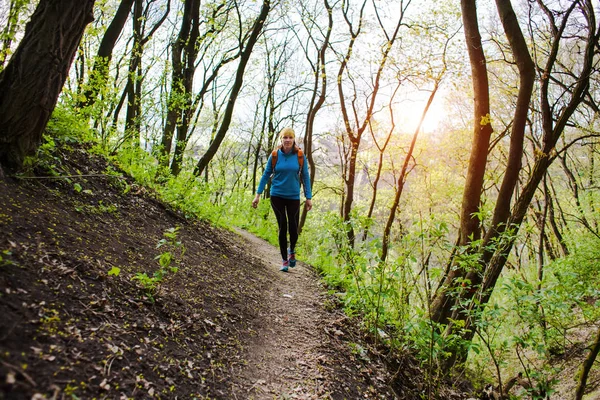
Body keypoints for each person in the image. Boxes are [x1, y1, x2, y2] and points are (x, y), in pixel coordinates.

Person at [252, 127, 313, 272]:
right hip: (277, 195)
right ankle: (284, 260)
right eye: (285, 137)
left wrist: (308, 197)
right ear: (281, 139)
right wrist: (258, 195)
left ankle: (292, 250)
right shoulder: (274, 155)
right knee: (282, 226)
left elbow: (305, 176)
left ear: (294, 139)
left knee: (293, 227)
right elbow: (266, 175)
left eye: (290, 137)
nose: (287, 140)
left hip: (293, 196)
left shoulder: (299, 156)